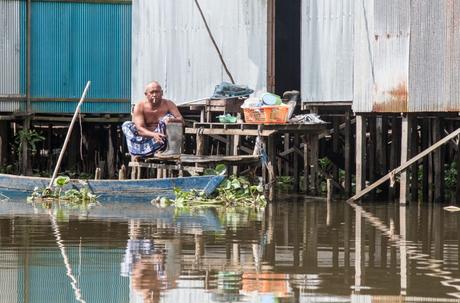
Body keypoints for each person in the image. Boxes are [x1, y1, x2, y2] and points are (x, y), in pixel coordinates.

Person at [122, 81, 184, 158]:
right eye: (152, 92)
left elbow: (181, 120)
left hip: (162, 139)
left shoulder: (168, 103)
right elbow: (140, 129)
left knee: (168, 118)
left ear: (162, 93)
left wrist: (171, 120)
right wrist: (153, 135)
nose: (154, 95)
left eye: (157, 92)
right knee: (126, 125)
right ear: (146, 94)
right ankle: (139, 151)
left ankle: (171, 151)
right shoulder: (140, 105)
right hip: (144, 141)